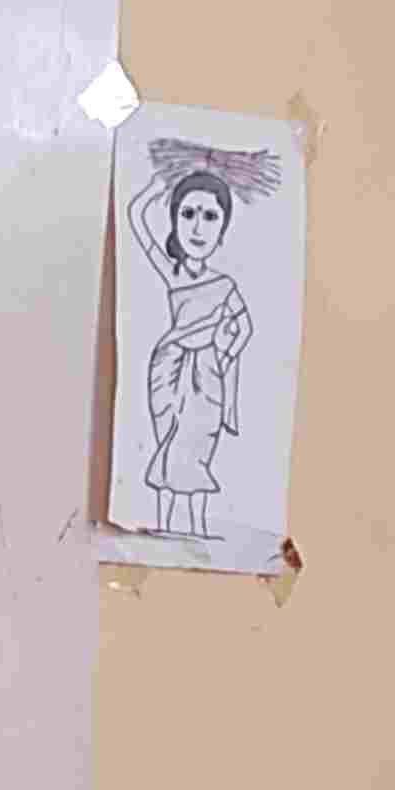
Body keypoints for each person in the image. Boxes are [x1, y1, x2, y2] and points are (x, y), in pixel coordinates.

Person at [126, 163, 255, 539]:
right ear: (174, 221)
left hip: (208, 375)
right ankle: (165, 526)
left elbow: (245, 327)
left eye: (210, 217)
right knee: (168, 444)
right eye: (188, 214)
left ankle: (198, 528)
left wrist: (223, 358)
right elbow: (136, 219)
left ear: (223, 229)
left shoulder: (225, 284)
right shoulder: (173, 273)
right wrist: (154, 186)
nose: (198, 228)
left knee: (198, 446)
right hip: (168, 368)